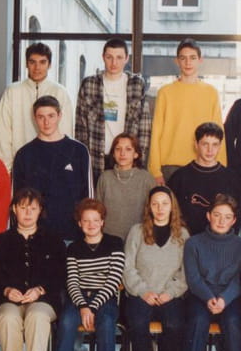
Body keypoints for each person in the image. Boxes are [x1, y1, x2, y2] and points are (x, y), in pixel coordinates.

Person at [0, 188, 66, 351]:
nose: (28, 213)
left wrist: (40, 290)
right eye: (23, 208)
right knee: (8, 318)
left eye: (33, 208)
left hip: (43, 300)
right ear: (14, 209)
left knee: (37, 317)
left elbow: (60, 276)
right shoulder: (0, 241)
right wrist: (6, 290)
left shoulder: (54, 241)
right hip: (8, 300)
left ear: (40, 210)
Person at [49, 199, 125, 351]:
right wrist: (83, 306)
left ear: (102, 222)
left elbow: (114, 280)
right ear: (79, 223)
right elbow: (72, 281)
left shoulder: (115, 243)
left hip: (105, 297)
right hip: (78, 298)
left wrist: (92, 306)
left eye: (95, 220)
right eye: (86, 220)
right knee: (66, 322)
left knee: (106, 324)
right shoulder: (74, 248)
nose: (91, 224)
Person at [178, 194, 241, 351]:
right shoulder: (193, 243)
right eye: (217, 215)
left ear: (234, 220)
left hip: (231, 296)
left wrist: (224, 300)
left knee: (233, 322)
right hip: (202, 295)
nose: (221, 220)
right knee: (197, 321)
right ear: (208, 216)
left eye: (227, 217)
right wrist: (209, 298)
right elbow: (193, 278)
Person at [123, 187, 189, 351]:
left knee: (174, 323)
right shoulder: (137, 231)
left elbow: (186, 272)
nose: (160, 208)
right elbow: (127, 267)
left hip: (170, 295)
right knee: (137, 323)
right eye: (155, 204)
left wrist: (171, 292)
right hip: (141, 294)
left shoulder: (182, 234)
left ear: (172, 207)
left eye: (165, 203)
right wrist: (143, 291)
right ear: (149, 207)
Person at [12, 95, 93, 242]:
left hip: (71, 235)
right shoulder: (24, 154)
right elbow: (17, 200)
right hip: (35, 237)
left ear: (60, 116)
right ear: (34, 118)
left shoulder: (79, 151)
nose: (46, 122)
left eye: (51, 116)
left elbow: (88, 198)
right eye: (41, 117)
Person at [148, 38, 226, 185]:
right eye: (183, 58)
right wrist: (155, 170)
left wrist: (221, 167)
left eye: (192, 58)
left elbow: (218, 133)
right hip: (170, 166)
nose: (188, 63)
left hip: (203, 164)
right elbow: (156, 133)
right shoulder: (165, 92)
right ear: (177, 61)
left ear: (200, 60)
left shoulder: (211, 92)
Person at [75, 38, 153, 182]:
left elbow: (144, 127)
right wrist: (82, 158)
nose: (114, 63)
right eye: (109, 57)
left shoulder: (136, 85)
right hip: (96, 155)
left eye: (119, 57)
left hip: (126, 158)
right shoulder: (89, 84)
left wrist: (139, 159)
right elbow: (81, 126)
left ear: (126, 58)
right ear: (103, 57)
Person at [0, 42, 74, 172]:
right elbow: (3, 134)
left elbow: (66, 132)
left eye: (42, 62)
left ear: (49, 65)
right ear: (26, 64)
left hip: (53, 166)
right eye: (32, 62)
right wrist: (7, 170)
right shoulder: (12, 92)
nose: (37, 67)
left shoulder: (60, 93)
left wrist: (61, 167)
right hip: (20, 166)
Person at [168, 122, 241, 236]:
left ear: (220, 146)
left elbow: (237, 215)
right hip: (186, 241)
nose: (210, 150)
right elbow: (170, 214)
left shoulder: (231, 178)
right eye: (205, 144)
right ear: (196, 145)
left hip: (220, 242)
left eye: (215, 145)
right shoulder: (179, 177)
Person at [95, 132, 156, 243]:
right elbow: (97, 211)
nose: (122, 153)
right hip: (108, 239)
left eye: (128, 149)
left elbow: (153, 213)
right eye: (118, 149)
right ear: (113, 154)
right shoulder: (105, 178)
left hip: (138, 239)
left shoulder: (146, 179)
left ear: (136, 154)